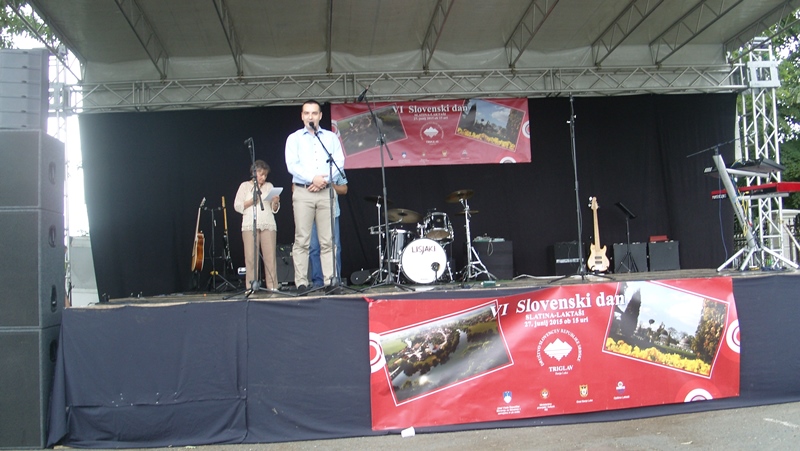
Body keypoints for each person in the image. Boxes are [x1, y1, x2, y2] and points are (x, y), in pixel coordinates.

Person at [285, 99, 345, 292]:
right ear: (302, 116)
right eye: (307, 113)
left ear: (320, 116)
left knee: (328, 240)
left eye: (314, 113)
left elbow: (339, 161)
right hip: (303, 192)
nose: (310, 116)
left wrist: (324, 180)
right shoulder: (294, 138)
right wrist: (313, 178)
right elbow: (292, 165)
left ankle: (330, 281)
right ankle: (301, 283)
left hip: (326, 191)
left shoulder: (330, 138)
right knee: (302, 240)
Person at [234, 160, 281, 291]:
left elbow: (274, 209)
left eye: (265, 175)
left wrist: (275, 202)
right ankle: (251, 286)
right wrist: (251, 202)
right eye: (261, 174)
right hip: (250, 225)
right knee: (251, 257)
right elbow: (237, 205)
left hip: (268, 224)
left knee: (270, 257)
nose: (263, 178)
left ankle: (273, 286)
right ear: (254, 173)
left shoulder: (269, 186)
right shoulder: (244, 186)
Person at [309, 171, 347, 287]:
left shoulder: (335, 167)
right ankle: (318, 282)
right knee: (314, 248)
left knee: (335, 247)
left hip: (332, 212)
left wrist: (329, 186)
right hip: (313, 212)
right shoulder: (308, 167)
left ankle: (335, 280)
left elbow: (344, 189)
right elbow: (295, 187)